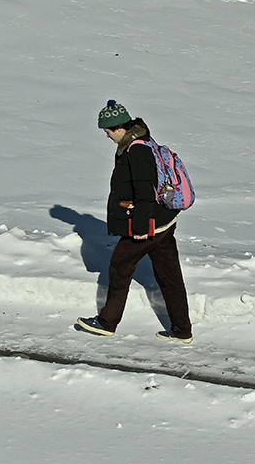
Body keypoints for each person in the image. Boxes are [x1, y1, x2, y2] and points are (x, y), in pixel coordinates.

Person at [74, 100, 193, 343]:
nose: (107, 136)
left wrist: (140, 227)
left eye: (107, 131)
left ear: (119, 127)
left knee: (119, 266)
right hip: (164, 221)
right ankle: (182, 330)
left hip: (148, 224)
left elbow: (144, 191)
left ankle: (107, 322)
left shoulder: (136, 150)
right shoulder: (144, 141)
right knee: (170, 276)